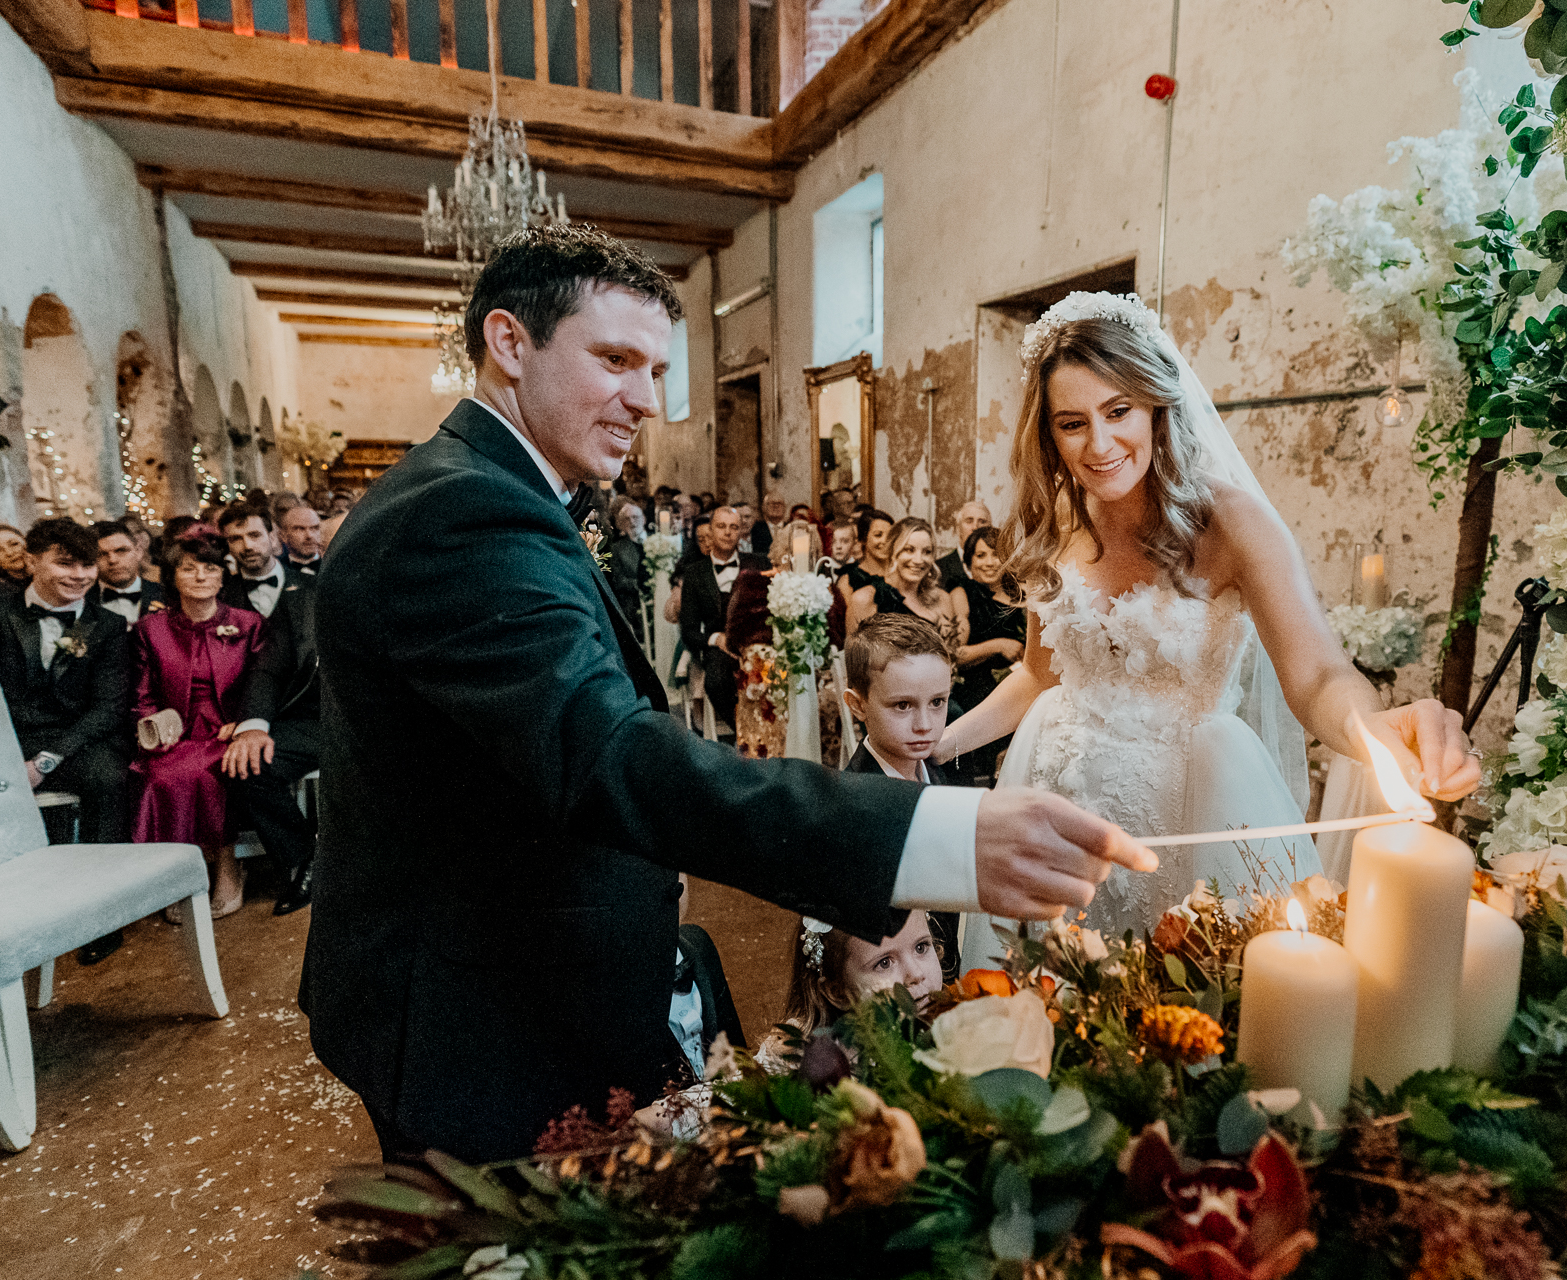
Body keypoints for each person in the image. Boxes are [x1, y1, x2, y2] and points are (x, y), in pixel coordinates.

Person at [301, 225, 1153, 1164]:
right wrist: (929, 833)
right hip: (475, 1004)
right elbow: (607, 754)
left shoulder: (481, 488)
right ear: (509, 343)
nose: (648, 401)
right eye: (616, 360)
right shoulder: (457, 512)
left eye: (656, 370)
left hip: (514, 967)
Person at [939, 294, 1477, 967]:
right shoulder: (1056, 522)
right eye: (1072, 423)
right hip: (1056, 797)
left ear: (1157, 406)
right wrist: (940, 742)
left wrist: (1374, 730)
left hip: (1193, 812)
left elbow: (1316, 677)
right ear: (1047, 432)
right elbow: (1041, 677)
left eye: (1118, 411)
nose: (1100, 445)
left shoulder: (1231, 521)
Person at [0, 518, 134, 963]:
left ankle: (104, 913)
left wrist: (45, 761)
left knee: (109, 779)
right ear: (31, 560)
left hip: (76, 740)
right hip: (1, 736)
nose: (80, 575)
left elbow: (109, 707)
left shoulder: (107, 625)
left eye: (87, 565)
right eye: (66, 564)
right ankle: (0, 915)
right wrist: (6, 758)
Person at [129, 529, 268, 919]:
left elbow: (264, 684)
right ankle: (178, 875)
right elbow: (142, 696)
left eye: (210, 568)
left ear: (223, 576)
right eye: (189, 569)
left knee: (209, 773)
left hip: (227, 729)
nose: (201, 577)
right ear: (172, 577)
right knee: (162, 776)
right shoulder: (149, 630)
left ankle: (227, 866)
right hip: (173, 733)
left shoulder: (248, 623)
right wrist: (155, 731)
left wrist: (243, 722)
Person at [841, 613, 962, 983]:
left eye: (938, 702)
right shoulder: (853, 804)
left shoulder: (941, 771)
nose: (925, 724)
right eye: (902, 706)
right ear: (858, 705)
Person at [223, 509, 329, 917]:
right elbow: (270, 667)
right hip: (316, 719)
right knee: (248, 765)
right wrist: (253, 726)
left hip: (386, 722)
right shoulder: (301, 601)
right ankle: (305, 860)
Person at [756, 911, 944, 1073]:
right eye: (884, 963)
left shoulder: (956, 1029)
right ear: (838, 993)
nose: (916, 974)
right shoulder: (801, 1061)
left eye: (921, 947)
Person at [677, 504, 768, 737]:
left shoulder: (759, 564)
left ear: (740, 532)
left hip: (758, 641)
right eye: (721, 526)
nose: (727, 532)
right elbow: (688, 630)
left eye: (733, 527)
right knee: (716, 681)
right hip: (720, 647)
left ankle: (774, 735)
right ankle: (747, 734)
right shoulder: (695, 573)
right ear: (711, 530)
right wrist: (717, 639)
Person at [949, 526, 1025, 786]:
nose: (990, 562)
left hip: (1020, 682)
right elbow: (956, 654)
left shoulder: (1021, 595)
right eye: (981, 555)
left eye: (996, 554)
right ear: (969, 561)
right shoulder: (963, 592)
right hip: (976, 685)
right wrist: (998, 645)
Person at [847, 515, 959, 645]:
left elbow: (952, 657)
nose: (918, 560)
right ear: (892, 550)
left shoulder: (942, 599)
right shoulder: (866, 599)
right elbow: (855, 662)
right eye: (909, 550)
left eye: (927, 552)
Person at [217, 507, 304, 619]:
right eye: (236, 539)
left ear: (272, 538)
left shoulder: (312, 586)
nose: (248, 546)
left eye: (255, 535)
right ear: (228, 545)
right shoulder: (222, 596)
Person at [90, 520, 166, 625]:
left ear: (139, 552)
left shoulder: (166, 596)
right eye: (102, 554)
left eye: (121, 551)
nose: (113, 560)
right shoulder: (80, 600)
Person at [837, 508, 893, 612]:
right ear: (863, 538)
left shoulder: (900, 574)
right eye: (878, 535)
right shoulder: (848, 580)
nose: (885, 541)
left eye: (890, 536)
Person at [604, 495, 649, 626]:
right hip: (634, 605)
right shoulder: (617, 549)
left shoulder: (657, 541)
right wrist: (642, 586)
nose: (632, 522)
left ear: (644, 519)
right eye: (627, 519)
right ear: (621, 524)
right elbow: (618, 580)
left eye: (635, 517)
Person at [938, 501, 992, 590]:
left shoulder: (996, 569)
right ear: (958, 527)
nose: (975, 527)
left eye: (982, 522)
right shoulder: (939, 568)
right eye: (969, 521)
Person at [277, 503, 324, 580]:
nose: (309, 535)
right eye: (299, 529)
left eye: (315, 528)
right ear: (283, 536)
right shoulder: (275, 568)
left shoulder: (334, 565)